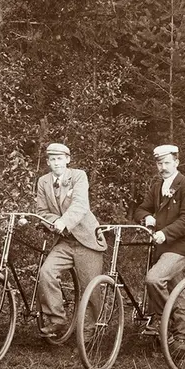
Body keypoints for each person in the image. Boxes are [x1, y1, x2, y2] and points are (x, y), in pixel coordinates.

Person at [34, 142, 107, 338]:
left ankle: (88, 332)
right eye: (52, 159)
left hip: (87, 240)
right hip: (65, 242)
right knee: (46, 273)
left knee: (90, 287)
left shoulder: (78, 176)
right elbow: (41, 211)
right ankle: (57, 319)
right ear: (48, 162)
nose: (56, 163)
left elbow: (81, 205)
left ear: (67, 159)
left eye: (60, 158)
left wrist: (64, 221)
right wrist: (55, 222)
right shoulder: (43, 182)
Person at [132, 144, 185, 348]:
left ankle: (164, 322)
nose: (163, 167)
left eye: (167, 163)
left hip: (180, 246)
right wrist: (146, 217)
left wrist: (165, 233)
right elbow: (140, 209)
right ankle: (182, 337)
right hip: (161, 248)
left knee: (154, 279)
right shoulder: (157, 187)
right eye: (159, 163)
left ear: (177, 162)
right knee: (175, 288)